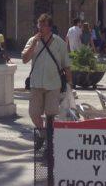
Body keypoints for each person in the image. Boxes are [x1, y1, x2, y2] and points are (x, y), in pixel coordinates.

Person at [22, 13, 72, 155]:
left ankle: (48, 144)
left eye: (44, 25)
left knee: (51, 114)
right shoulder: (32, 40)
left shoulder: (59, 43)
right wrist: (33, 45)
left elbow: (66, 65)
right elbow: (24, 59)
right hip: (36, 83)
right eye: (39, 25)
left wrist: (70, 85)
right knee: (33, 113)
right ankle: (44, 136)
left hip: (53, 84)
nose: (41, 28)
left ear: (50, 27)